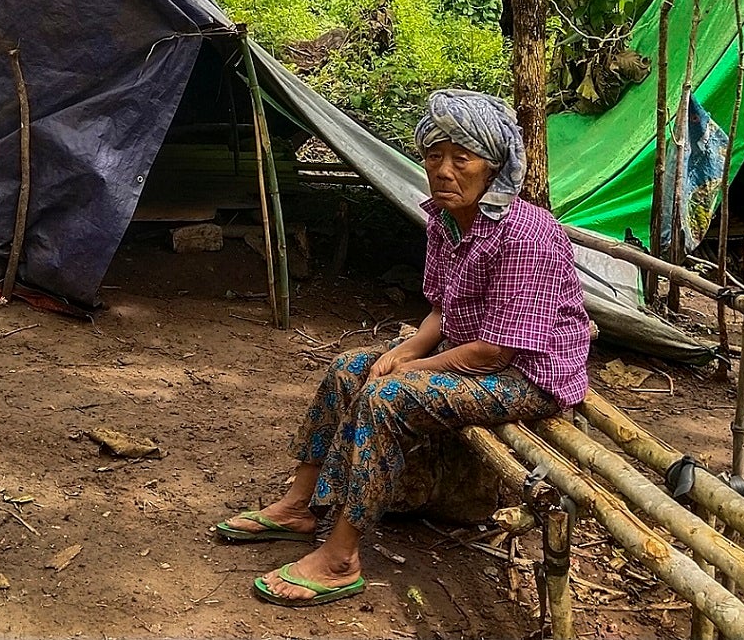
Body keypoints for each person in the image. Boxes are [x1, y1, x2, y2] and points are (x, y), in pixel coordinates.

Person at [213, 88, 591, 608]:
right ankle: (300, 505)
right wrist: (407, 350)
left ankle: (342, 557)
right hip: (472, 351)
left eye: (463, 158)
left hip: (528, 375)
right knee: (351, 367)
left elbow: (494, 353)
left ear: (495, 167)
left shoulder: (525, 235)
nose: (444, 170)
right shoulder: (444, 218)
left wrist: (409, 371)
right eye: (434, 156)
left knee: (386, 398)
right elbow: (443, 308)